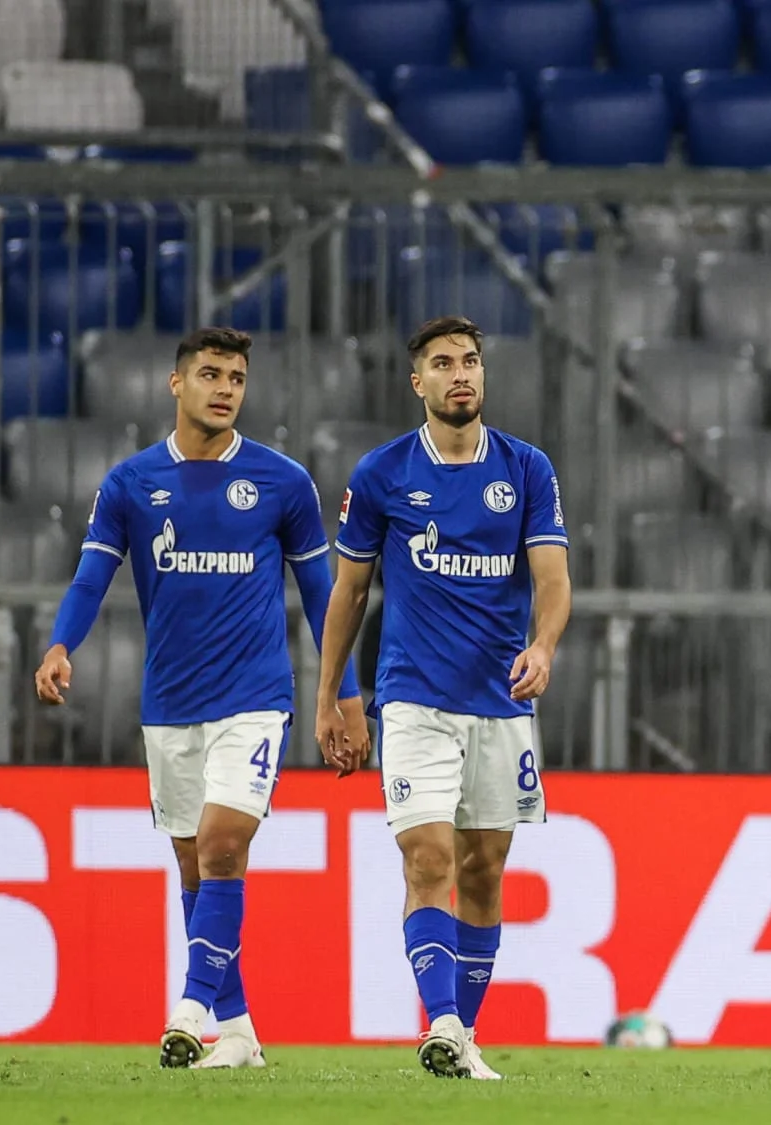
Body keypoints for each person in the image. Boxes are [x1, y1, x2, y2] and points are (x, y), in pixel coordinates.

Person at [33, 327, 366, 1069]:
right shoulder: (130, 483)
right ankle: (238, 1030)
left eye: (237, 378)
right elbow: (92, 576)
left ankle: (189, 1009)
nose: (225, 389)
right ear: (176, 383)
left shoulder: (282, 481)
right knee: (196, 867)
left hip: (255, 697)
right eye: (211, 374)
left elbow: (323, 593)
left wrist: (343, 694)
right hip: (170, 703)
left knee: (221, 844)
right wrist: (60, 644)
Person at [316, 315, 572, 1080]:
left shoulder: (526, 469)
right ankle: (445, 1022)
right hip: (414, 699)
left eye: (470, 360)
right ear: (417, 381)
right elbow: (348, 592)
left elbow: (553, 579)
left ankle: (465, 1034)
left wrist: (543, 645)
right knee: (429, 856)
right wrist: (331, 696)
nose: (460, 373)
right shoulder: (383, 473)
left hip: (500, 702)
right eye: (443, 363)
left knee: (484, 867)